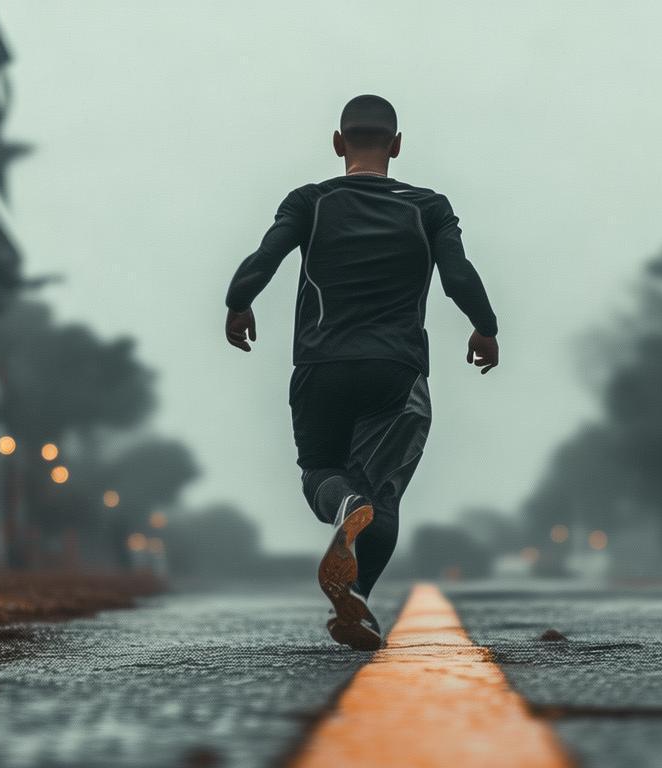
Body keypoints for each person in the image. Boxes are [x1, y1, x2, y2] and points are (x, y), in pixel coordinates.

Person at [223, 94, 499, 650]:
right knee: (384, 495)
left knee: (321, 471)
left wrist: (238, 301)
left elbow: (265, 257)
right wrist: (484, 326)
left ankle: (343, 510)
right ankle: (358, 597)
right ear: (396, 146)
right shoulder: (429, 207)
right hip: (394, 373)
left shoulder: (310, 201)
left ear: (338, 142)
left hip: (321, 368)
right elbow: (457, 275)